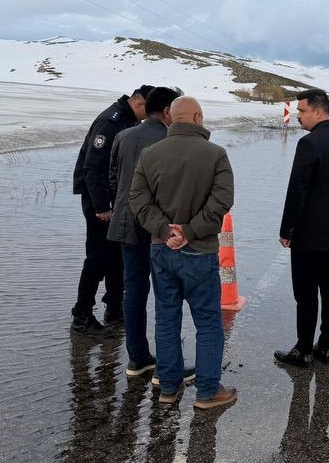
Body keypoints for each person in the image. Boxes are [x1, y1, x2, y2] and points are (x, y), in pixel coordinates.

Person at [129, 96, 237, 409]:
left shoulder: (150, 154)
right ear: (198, 117)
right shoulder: (215, 154)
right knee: (208, 322)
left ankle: (168, 386)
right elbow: (222, 200)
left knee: (166, 319)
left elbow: (138, 200)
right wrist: (188, 232)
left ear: (172, 118)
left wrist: (166, 231)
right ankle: (208, 391)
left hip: (162, 250)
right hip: (199, 251)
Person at [276, 89, 329, 367]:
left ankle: (303, 350)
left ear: (319, 112)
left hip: (309, 233)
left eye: (302, 111)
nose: (298, 115)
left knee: (306, 293)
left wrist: (287, 229)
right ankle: (326, 346)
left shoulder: (310, 143)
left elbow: (297, 190)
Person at [106, 86, 182, 377]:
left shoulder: (123, 136)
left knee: (134, 290)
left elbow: (113, 178)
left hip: (126, 222)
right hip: (158, 227)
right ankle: (167, 364)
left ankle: (137, 357)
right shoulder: (170, 140)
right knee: (166, 293)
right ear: (167, 112)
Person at [70, 84, 153, 337]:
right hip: (100, 202)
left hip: (115, 201)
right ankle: (82, 316)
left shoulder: (129, 120)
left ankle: (114, 309)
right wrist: (102, 206)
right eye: (149, 111)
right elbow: (93, 167)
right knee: (97, 258)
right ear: (139, 104)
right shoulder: (111, 121)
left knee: (117, 256)